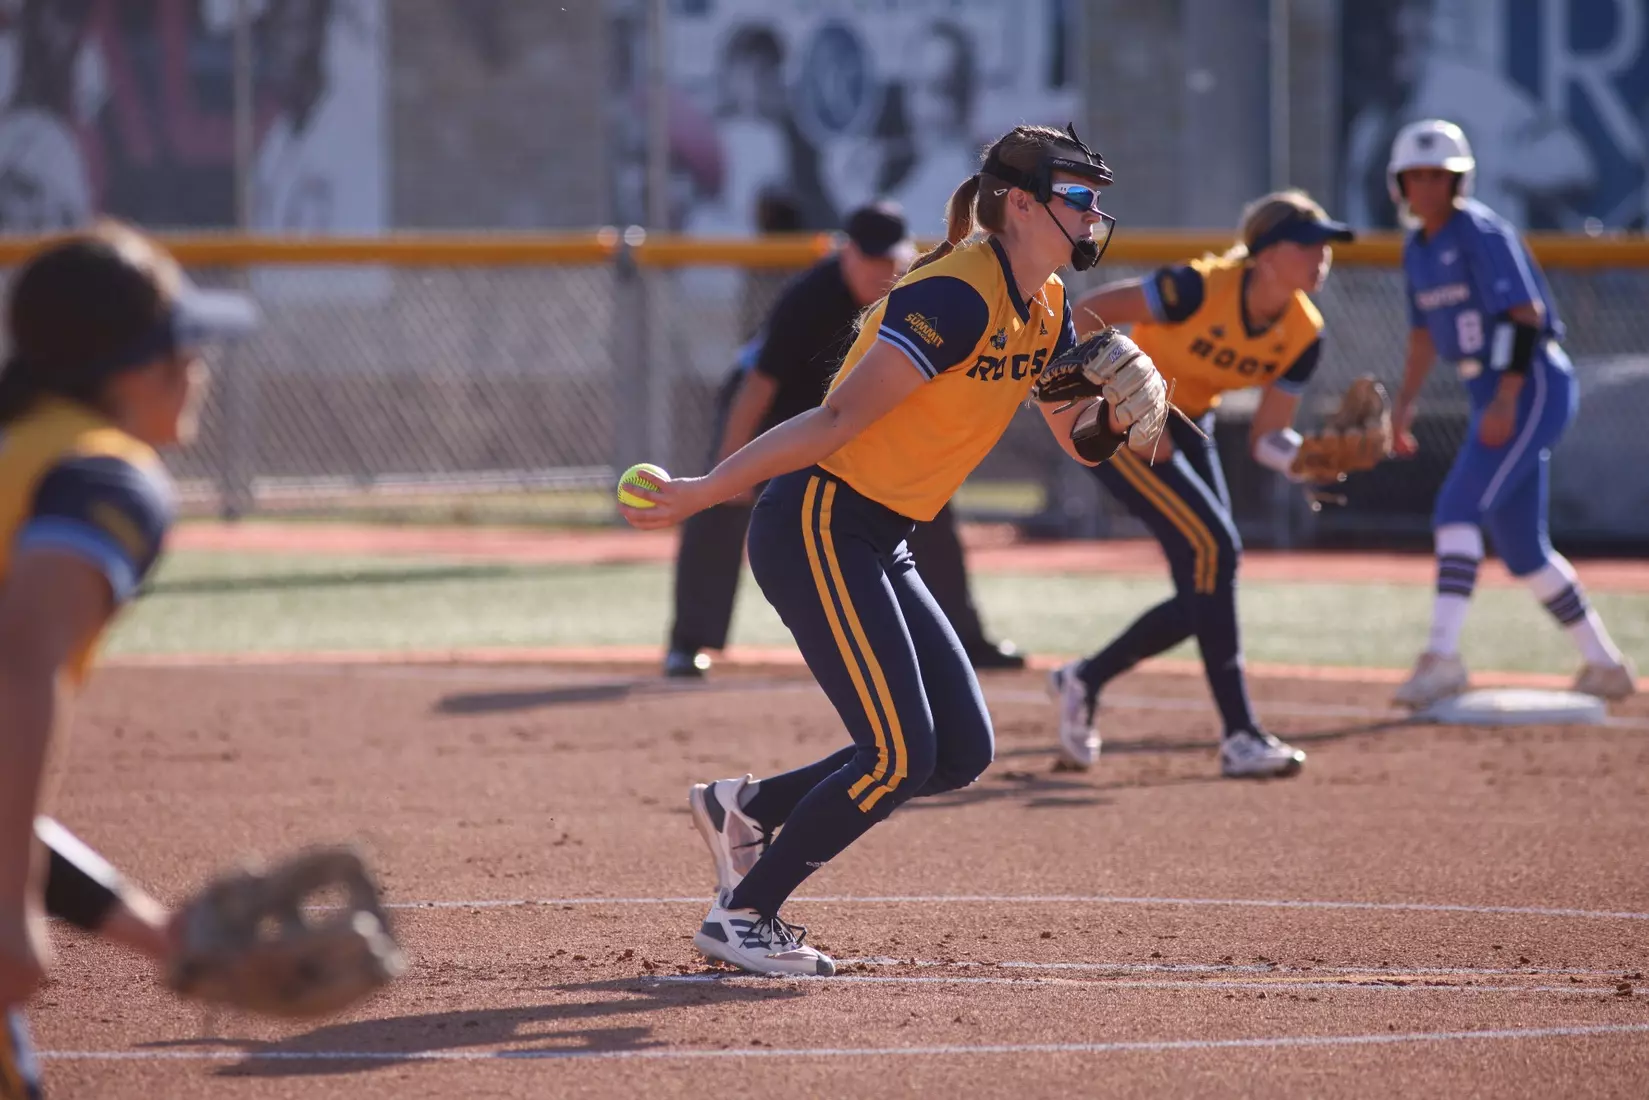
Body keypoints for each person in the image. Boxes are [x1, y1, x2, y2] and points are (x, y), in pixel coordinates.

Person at [622, 123, 1169, 976]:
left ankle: (746, 807)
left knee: (957, 751)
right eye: (1076, 195)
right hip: (818, 523)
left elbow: (1074, 439)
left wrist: (1124, 416)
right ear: (1019, 205)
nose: (1093, 211)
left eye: (1094, 196)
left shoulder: (1050, 305)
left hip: (883, 537)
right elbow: (832, 420)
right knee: (896, 752)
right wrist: (704, 492)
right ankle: (744, 912)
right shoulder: (953, 295)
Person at [0, 223, 364, 1099]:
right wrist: (8, 911)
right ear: (134, 367)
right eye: (185, 345)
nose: (199, 367)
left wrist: (155, 934)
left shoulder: (28, 448)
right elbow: (20, 665)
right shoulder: (103, 475)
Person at [1046, 190, 1352, 779]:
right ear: (1264, 254)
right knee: (1219, 551)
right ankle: (1240, 734)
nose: (1322, 256)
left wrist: (1307, 459)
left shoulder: (1303, 333)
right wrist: (1105, 402)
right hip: (1128, 423)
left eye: (1326, 245)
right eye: (1307, 244)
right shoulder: (1198, 287)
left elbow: (1268, 437)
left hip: (1191, 425)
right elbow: (1086, 312)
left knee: (1206, 588)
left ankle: (1084, 679)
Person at [664, 202, 1028, 677]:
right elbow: (758, 385)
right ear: (847, 254)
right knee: (722, 500)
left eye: (892, 259)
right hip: (771, 404)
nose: (884, 270)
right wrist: (726, 467)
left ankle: (965, 638)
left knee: (928, 505)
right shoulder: (811, 298)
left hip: (853, 406)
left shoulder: (916, 290)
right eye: (872, 259)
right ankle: (689, 641)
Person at [1384, 119, 1636, 708]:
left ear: (1458, 182)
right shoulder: (1417, 249)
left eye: (1437, 176)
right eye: (1415, 176)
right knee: (1522, 548)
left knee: (1456, 507)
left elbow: (1524, 315)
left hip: (1530, 383)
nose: (1426, 186)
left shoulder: (1479, 231)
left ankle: (1442, 657)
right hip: (1490, 389)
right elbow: (1422, 337)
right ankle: (1606, 666)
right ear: (1400, 184)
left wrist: (1504, 399)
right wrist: (1403, 407)